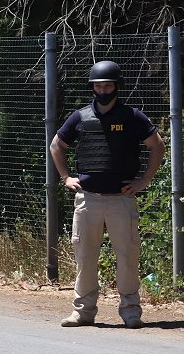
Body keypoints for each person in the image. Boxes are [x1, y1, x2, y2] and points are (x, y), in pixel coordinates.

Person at [49, 60, 166, 329]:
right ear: (92, 88)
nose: (102, 91)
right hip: (87, 199)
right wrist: (66, 177)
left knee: (127, 256)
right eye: (98, 86)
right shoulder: (79, 117)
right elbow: (56, 145)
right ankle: (83, 312)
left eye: (107, 86)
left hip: (121, 200)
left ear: (117, 86)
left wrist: (144, 180)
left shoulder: (132, 116)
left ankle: (131, 312)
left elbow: (157, 145)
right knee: (85, 257)